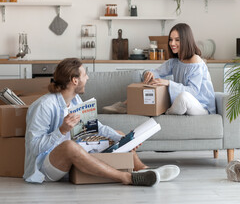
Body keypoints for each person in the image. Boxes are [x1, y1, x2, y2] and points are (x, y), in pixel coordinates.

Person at [23, 58, 179, 186]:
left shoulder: (76, 100)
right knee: (69, 146)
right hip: (45, 166)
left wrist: (124, 139)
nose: (88, 78)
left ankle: (146, 170)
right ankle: (126, 177)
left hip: (74, 153)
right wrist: (62, 130)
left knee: (117, 134)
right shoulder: (44, 106)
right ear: (75, 80)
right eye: (85, 75)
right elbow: (34, 147)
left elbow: (96, 127)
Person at [143, 23, 216, 115]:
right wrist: (148, 73)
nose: (172, 43)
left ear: (186, 41)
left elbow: (193, 91)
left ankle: (167, 114)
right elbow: (156, 72)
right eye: (170, 40)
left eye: (177, 40)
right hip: (183, 105)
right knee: (180, 98)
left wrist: (168, 83)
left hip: (202, 107)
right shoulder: (174, 62)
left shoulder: (196, 61)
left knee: (183, 97)